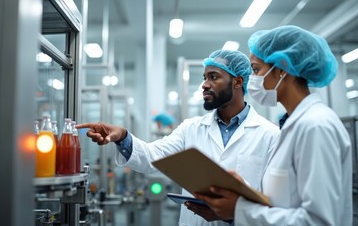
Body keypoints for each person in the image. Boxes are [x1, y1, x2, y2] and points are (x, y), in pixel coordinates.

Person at [76, 49, 280, 226]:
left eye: (214, 77)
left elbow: (273, 203)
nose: (205, 85)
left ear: (237, 81)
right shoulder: (191, 128)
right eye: (204, 77)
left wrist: (232, 214)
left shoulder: (270, 135)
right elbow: (153, 156)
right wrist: (122, 137)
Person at [191, 25, 352, 225]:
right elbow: (286, 201)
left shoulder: (316, 126)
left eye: (257, 70)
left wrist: (240, 209)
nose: (253, 80)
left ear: (282, 69)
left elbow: (318, 221)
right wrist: (244, 194)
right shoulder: (294, 125)